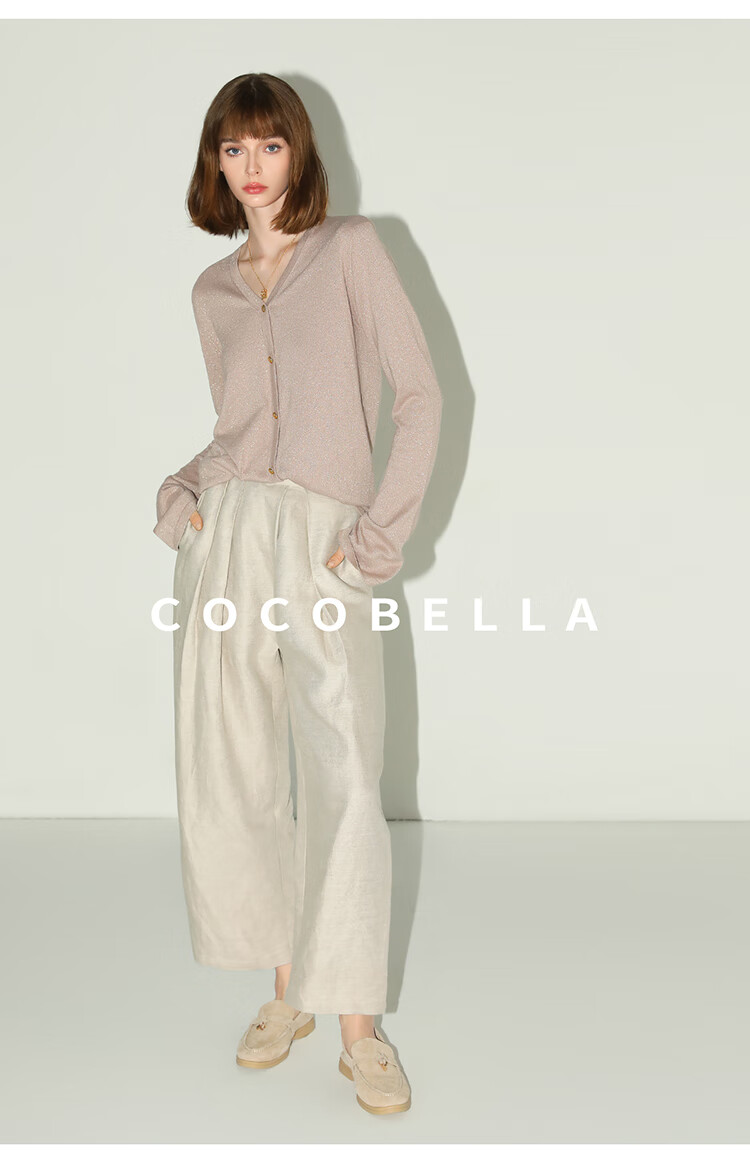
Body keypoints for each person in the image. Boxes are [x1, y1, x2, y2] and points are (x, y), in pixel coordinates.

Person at [154, 73, 442, 1117]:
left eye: (268, 145)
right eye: (233, 149)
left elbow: (420, 397)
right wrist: (182, 495)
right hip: (228, 537)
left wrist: (375, 540)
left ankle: (358, 1023)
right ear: (215, 164)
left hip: (325, 541)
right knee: (235, 768)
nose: (251, 167)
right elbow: (235, 430)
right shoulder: (213, 291)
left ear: (299, 152)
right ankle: (286, 990)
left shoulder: (353, 249)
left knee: (346, 774)